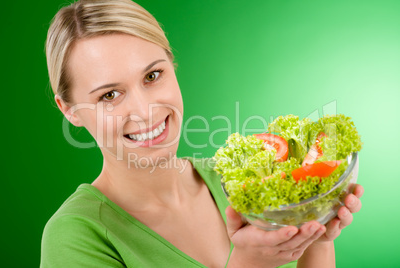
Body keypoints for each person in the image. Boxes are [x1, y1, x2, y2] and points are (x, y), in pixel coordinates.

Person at [40, 0, 364, 267]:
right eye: (109, 95)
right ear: (69, 109)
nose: (144, 110)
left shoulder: (238, 183)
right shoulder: (76, 235)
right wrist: (248, 263)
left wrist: (317, 236)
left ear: (172, 65)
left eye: (153, 75)